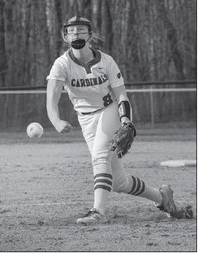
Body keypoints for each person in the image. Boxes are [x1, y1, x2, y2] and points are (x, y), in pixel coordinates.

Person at [46, 15, 177, 225]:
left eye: (81, 29)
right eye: (71, 30)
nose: (76, 34)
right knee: (119, 182)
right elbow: (51, 100)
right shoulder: (61, 64)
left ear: (90, 34)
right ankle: (162, 198)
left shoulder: (106, 61)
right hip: (85, 119)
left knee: (99, 157)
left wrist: (126, 121)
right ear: (65, 36)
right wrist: (57, 121)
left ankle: (98, 211)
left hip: (110, 111)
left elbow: (121, 96)